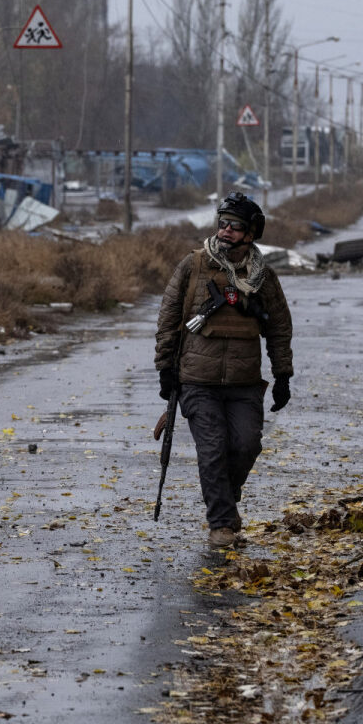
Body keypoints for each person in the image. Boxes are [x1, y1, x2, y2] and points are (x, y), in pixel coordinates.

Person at [153, 192, 294, 548]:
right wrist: (165, 371)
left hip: (245, 382)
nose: (226, 231)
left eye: (236, 226)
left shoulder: (262, 277)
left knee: (246, 445)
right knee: (212, 450)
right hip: (197, 381)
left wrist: (283, 375)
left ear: (251, 233)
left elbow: (278, 325)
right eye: (222, 223)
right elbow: (169, 319)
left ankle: (225, 499)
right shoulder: (194, 266)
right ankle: (222, 524)